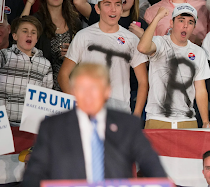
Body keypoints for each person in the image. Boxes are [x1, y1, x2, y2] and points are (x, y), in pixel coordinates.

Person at [22, 63, 167, 185]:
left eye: (94, 88)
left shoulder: (127, 125)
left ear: (107, 91)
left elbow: (153, 166)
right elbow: (34, 175)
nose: (88, 95)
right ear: (73, 91)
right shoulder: (52, 128)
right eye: (82, 88)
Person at [58, 0, 148, 115]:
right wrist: (76, 104)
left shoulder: (132, 39)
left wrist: (136, 116)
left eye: (117, 4)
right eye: (107, 4)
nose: (113, 9)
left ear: (122, 8)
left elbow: (143, 81)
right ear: (97, 9)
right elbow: (63, 75)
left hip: (120, 111)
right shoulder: (83, 36)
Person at [138, 4, 210, 129]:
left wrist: (205, 121)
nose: (185, 25)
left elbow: (200, 89)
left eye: (190, 22)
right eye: (181, 20)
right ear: (171, 23)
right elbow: (142, 47)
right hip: (157, 118)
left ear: (194, 27)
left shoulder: (198, 52)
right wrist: (157, 18)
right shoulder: (160, 42)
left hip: (187, 120)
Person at [0, 16, 52, 125]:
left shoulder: (45, 64)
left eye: (33, 32)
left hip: (30, 125)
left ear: (37, 39)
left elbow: (46, 98)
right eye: (25, 31)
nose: (29, 35)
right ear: (14, 36)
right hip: (4, 124)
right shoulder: (4, 56)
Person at [21, 0, 81, 91]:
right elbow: (20, 35)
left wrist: (73, 54)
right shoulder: (37, 21)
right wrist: (29, 2)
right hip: (41, 86)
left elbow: (83, 56)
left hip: (68, 87)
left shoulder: (75, 21)